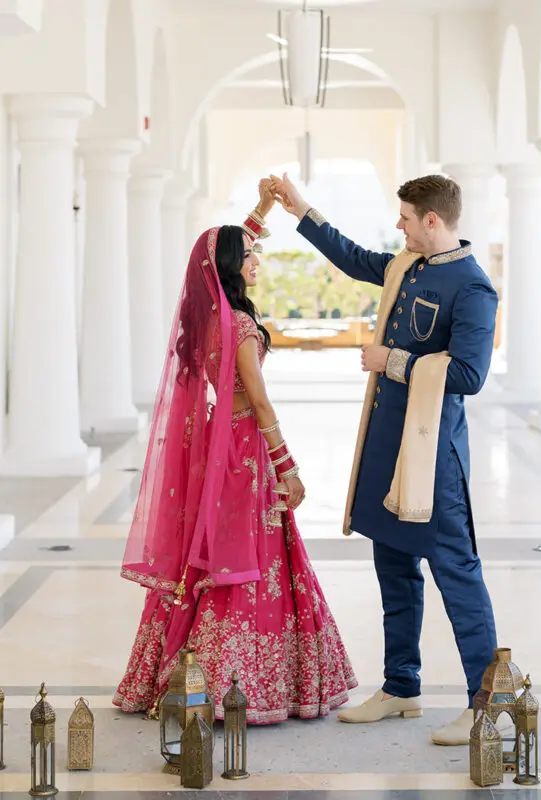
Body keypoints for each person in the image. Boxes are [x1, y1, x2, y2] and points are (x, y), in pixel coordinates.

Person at [114, 180, 358, 724]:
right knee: (250, 557)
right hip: (245, 451)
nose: (257, 260)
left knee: (209, 555)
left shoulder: (205, 319)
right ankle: (238, 679)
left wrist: (263, 208)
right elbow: (260, 401)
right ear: (230, 266)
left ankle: (182, 674)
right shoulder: (241, 324)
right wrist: (288, 469)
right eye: (250, 256)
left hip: (215, 448)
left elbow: (220, 249)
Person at [268, 172, 499, 746]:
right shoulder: (407, 266)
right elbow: (354, 259)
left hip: (432, 458)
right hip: (386, 447)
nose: (399, 226)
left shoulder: (473, 287)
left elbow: (469, 374)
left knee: (457, 574)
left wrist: (390, 359)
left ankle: (488, 706)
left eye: (405, 217)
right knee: (393, 569)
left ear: (431, 219)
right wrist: (301, 209)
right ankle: (401, 687)